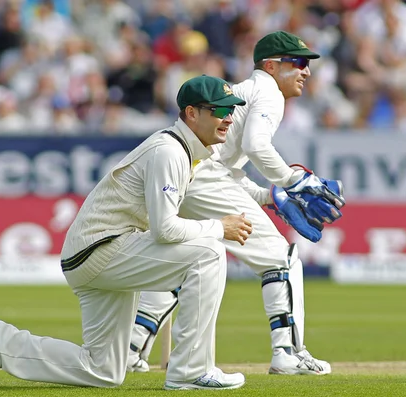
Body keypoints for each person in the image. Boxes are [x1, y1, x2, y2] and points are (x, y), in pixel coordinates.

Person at [0, 75, 252, 390]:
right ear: (191, 113)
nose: (228, 118)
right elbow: (165, 229)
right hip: (102, 248)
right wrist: (219, 227)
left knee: (102, 370)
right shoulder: (169, 151)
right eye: (219, 110)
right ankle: (190, 371)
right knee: (209, 253)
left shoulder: (186, 150)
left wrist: (268, 198)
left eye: (231, 110)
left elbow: (201, 202)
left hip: (96, 253)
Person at [127, 31, 344, 375]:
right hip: (200, 177)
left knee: (179, 264)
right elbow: (257, 147)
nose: (306, 72)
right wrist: (293, 180)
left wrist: (267, 195)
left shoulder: (247, 91)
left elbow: (225, 167)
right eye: (298, 63)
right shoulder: (270, 92)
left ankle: (131, 348)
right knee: (281, 257)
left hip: (190, 175)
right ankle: (287, 353)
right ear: (272, 65)